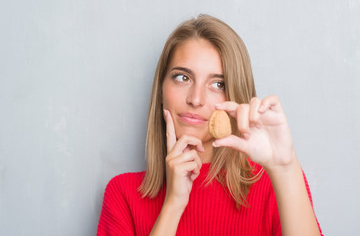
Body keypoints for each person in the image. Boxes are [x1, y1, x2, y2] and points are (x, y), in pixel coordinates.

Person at [97, 14, 323, 236]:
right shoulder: (122, 195)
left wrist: (285, 167)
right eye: (182, 77)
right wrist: (174, 204)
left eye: (218, 84)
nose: (196, 99)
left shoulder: (274, 183)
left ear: (236, 95)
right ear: (161, 90)